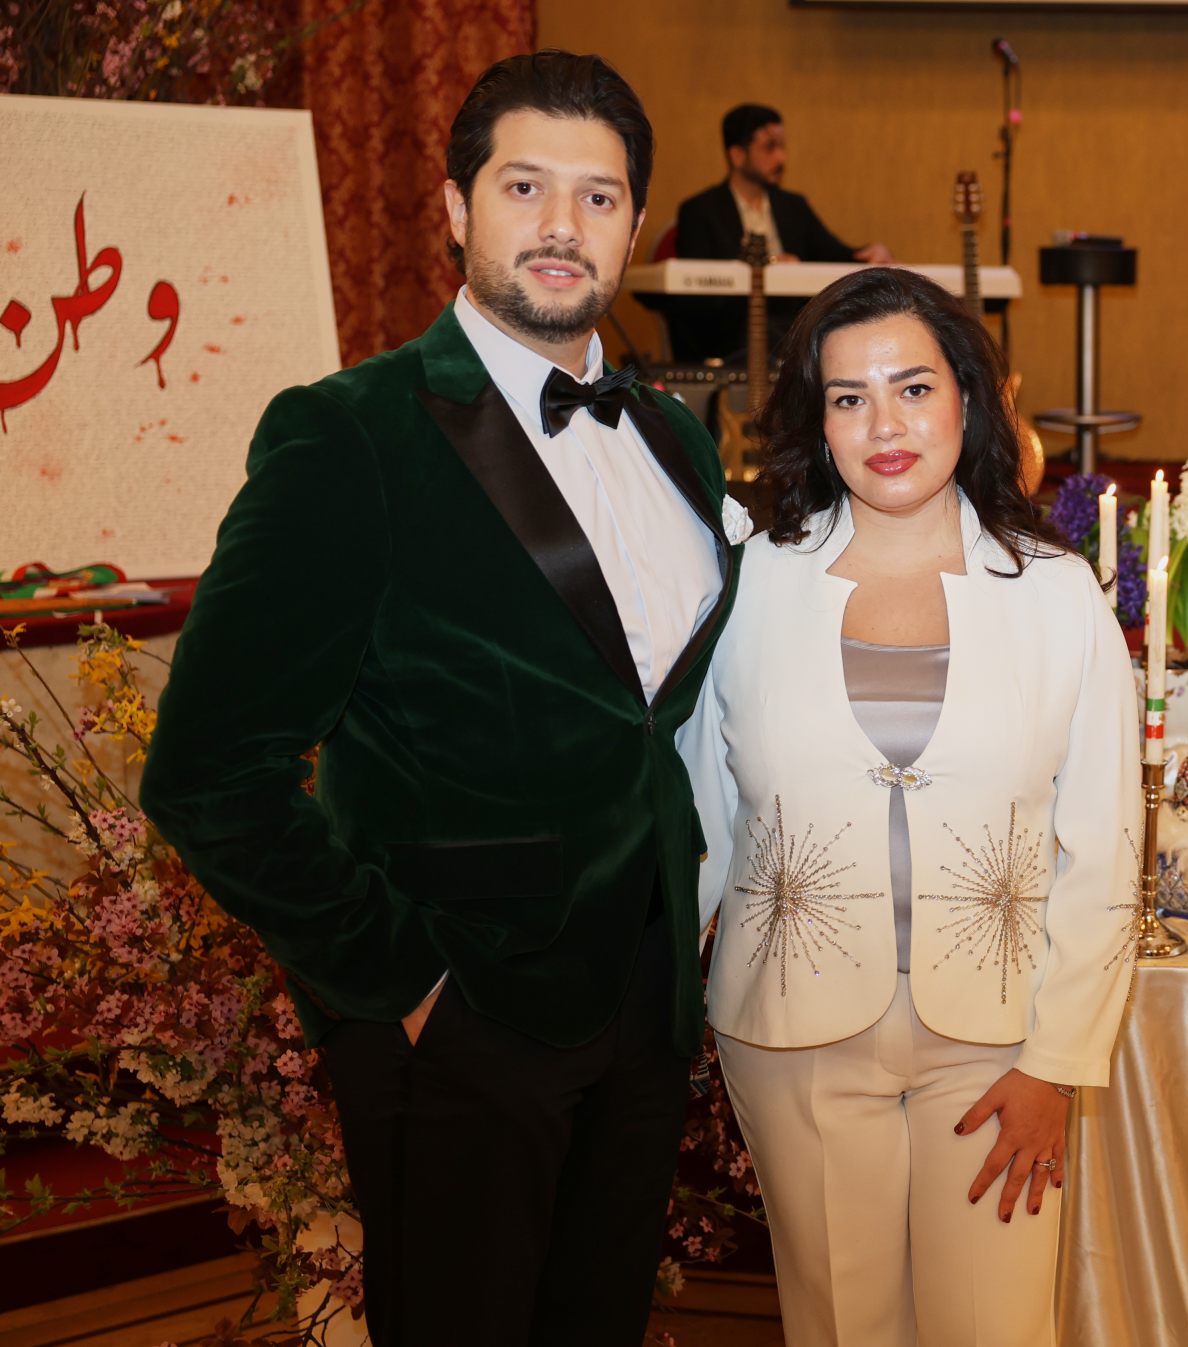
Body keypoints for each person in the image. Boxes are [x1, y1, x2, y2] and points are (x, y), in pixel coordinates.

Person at [141, 50, 740, 1346]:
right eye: (526, 186)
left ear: (637, 225)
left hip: (648, 1008)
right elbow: (207, 772)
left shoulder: (678, 441)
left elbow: (672, 720)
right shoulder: (349, 435)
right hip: (461, 1018)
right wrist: (404, 982)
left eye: (598, 196)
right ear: (458, 207)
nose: (563, 224)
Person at [678, 266, 1137, 1347]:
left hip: (1000, 1040)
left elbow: (1106, 844)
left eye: (914, 389)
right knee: (841, 1325)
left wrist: (1057, 1065)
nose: (884, 425)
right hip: (790, 1033)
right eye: (850, 397)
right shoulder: (749, 585)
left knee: (995, 1330)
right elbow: (698, 812)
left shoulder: (1056, 593)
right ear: (817, 419)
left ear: (969, 400)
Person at [664, 103, 893, 361]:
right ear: (737, 155)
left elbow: (831, 253)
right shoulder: (700, 210)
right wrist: (771, 264)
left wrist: (869, 254)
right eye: (769, 147)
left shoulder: (793, 206)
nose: (781, 158)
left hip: (792, 330)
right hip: (730, 336)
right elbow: (698, 295)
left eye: (782, 147)